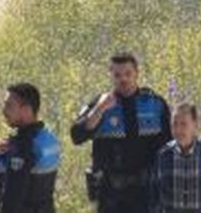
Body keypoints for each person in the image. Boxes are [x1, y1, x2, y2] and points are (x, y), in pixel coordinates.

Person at [71, 53, 171, 213]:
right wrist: (100, 109)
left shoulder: (154, 104)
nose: (123, 79)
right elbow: (76, 136)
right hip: (110, 194)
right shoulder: (100, 104)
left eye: (128, 74)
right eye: (117, 75)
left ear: (137, 73)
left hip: (145, 193)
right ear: (110, 74)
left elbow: (169, 147)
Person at [0, 83, 58, 213]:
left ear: (26, 109)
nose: (4, 110)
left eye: (9, 105)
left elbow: (13, 198)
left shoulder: (23, 146)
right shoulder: (46, 136)